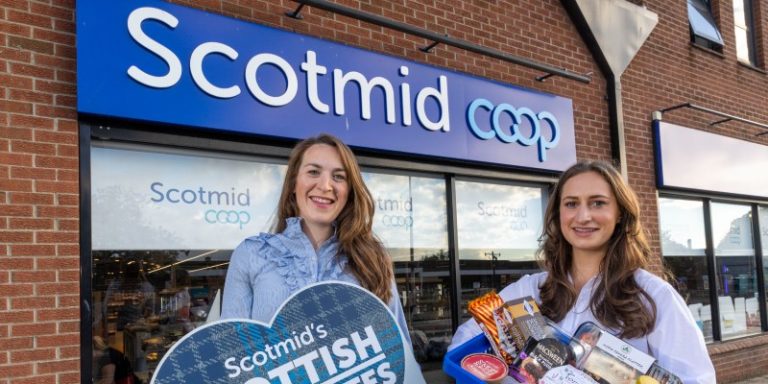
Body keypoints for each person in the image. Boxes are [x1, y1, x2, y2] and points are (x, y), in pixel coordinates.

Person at [449, 160, 715, 383]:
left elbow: (697, 378)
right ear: (558, 214)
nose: (583, 216)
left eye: (598, 203)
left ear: (620, 213)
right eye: (571, 203)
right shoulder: (529, 290)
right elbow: (463, 344)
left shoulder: (654, 297)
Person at [221, 133, 411, 344]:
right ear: (294, 183)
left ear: (349, 191)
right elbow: (232, 351)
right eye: (313, 172)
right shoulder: (251, 254)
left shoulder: (373, 258)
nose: (325, 185)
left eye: (339, 176)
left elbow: (398, 346)